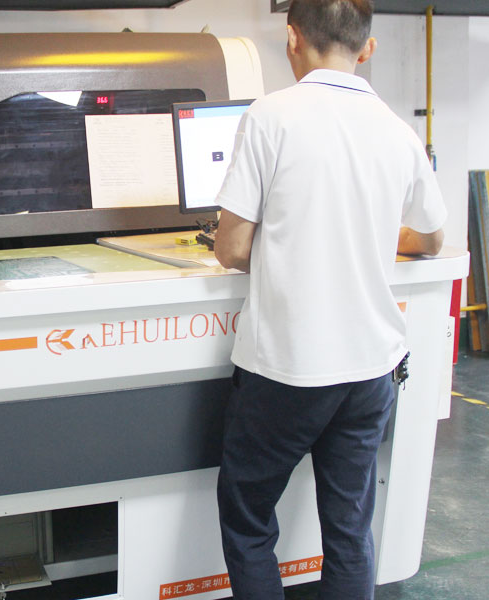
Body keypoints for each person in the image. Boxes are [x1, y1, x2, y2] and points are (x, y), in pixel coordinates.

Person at [212, 0, 447, 598]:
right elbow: (432, 238)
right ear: (367, 48)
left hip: (287, 370)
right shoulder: (397, 130)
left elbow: (231, 249)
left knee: (248, 519)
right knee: (348, 532)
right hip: (371, 368)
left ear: (292, 38)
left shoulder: (270, 117)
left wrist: (286, 241)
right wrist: (369, 235)